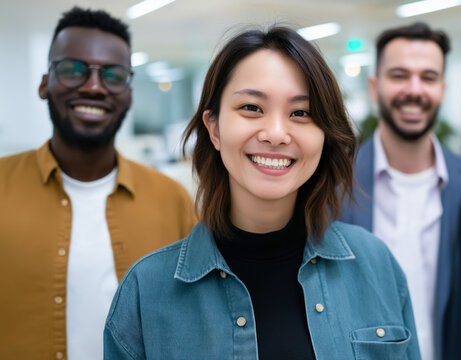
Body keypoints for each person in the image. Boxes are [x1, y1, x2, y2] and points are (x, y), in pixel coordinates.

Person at [103, 26, 421, 359]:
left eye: (301, 113)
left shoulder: (375, 264)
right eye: (252, 108)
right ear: (213, 128)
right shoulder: (147, 291)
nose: (276, 133)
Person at [0, 7, 197, 360]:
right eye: (73, 69)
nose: (93, 86)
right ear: (45, 83)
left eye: (113, 75)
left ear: (130, 94)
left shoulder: (172, 200)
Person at [339, 22, 461, 360]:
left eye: (428, 77)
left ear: (443, 89)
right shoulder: (332, 183)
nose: (414, 90)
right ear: (375, 87)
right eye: (399, 75)